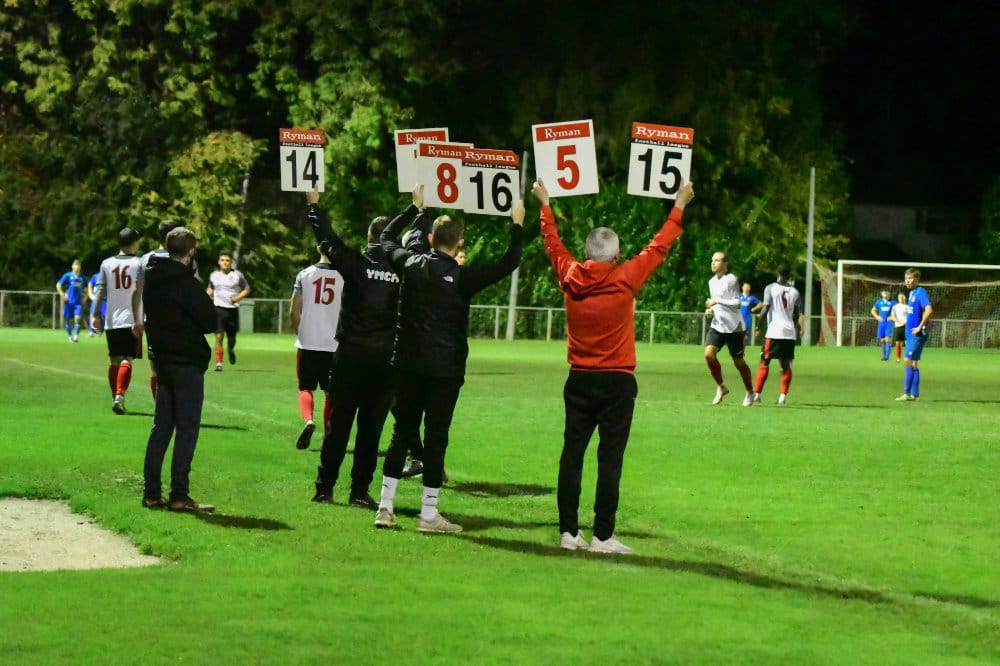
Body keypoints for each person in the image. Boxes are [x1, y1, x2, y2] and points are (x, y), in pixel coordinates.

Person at [534, 178, 694, 555]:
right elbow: (659, 246)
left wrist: (545, 205)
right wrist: (679, 205)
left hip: (579, 379)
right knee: (610, 460)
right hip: (617, 381)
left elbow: (552, 244)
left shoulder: (570, 275)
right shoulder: (624, 278)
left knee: (572, 455)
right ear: (616, 255)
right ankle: (602, 537)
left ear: (587, 253)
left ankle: (568, 533)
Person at [373, 184, 524, 533]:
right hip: (445, 370)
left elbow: (386, 237)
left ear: (430, 239)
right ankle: (428, 515)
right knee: (436, 437)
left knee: (401, 434)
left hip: (408, 365)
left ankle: (385, 507)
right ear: (459, 243)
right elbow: (509, 261)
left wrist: (415, 209)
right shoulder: (462, 277)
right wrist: (517, 223)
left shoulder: (411, 264)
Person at [306, 189, 405, 509]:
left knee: (338, 426)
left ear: (369, 236)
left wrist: (313, 207)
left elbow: (328, 240)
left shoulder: (357, 263)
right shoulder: (404, 269)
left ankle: (324, 488)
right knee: (370, 430)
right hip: (384, 360)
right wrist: (419, 211)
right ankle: (359, 492)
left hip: (350, 356)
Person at [141, 227, 217, 512]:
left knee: (161, 427)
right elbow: (210, 321)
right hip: (186, 362)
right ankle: (179, 495)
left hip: (162, 360)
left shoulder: (153, 277)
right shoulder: (187, 283)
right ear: (191, 251)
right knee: (187, 429)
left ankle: (151, 492)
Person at [289, 241, 341, 452]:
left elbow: (294, 310)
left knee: (305, 387)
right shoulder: (344, 276)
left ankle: (309, 420)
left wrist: (299, 331)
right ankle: (329, 435)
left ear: (318, 249)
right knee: (331, 391)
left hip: (308, 341)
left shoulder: (304, 274)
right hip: (334, 343)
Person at [92, 228, 143, 414]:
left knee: (115, 360)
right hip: (132, 319)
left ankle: (116, 396)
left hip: (111, 319)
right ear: (133, 243)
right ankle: (119, 397)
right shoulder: (138, 263)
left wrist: (95, 314)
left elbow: (100, 291)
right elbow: (141, 290)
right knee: (127, 358)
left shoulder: (107, 263)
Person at [133, 219, 182, 401]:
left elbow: (137, 290)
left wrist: (137, 319)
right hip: (178, 320)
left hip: (153, 320)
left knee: (156, 366)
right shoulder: (185, 257)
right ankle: (172, 404)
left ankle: (160, 407)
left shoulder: (145, 259)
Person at [704, 252, 755, 406]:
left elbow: (737, 303)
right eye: (712, 260)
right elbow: (716, 304)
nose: (713, 263)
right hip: (718, 325)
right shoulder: (711, 282)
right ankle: (721, 387)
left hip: (734, 328)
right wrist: (710, 310)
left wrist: (717, 301)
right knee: (709, 355)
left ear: (725, 264)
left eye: (717, 260)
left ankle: (750, 392)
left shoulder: (731, 279)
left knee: (739, 363)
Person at [751, 265, 804, 405]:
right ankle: (783, 396)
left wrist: (758, 327)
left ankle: (757, 394)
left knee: (764, 361)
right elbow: (797, 313)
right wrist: (794, 326)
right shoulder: (795, 292)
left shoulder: (770, 288)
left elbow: (765, 309)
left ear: (777, 273)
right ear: (789, 274)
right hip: (789, 333)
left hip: (774, 331)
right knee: (785, 365)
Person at [206, 252, 251, 371]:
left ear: (231, 262)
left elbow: (247, 288)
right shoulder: (214, 275)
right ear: (219, 262)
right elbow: (210, 288)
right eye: (222, 260)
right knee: (219, 336)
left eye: (227, 260)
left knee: (231, 338)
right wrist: (207, 294)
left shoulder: (237, 275)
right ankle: (219, 363)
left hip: (232, 310)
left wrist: (238, 297)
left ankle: (230, 350)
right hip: (218, 308)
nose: (225, 262)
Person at [896, 268, 933, 401]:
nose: (907, 281)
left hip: (916, 334)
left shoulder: (920, 292)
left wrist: (919, 326)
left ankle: (906, 393)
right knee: (913, 363)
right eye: (906, 278)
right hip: (910, 333)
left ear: (917, 280)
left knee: (907, 360)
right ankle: (914, 394)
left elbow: (929, 310)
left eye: (910, 278)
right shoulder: (912, 293)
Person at [56, 259, 86, 342]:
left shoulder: (82, 277)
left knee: (77, 319)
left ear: (80, 267)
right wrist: (62, 295)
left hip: (78, 303)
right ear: (72, 266)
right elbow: (58, 285)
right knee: (68, 321)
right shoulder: (68, 275)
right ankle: (70, 337)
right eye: (75, 265)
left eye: (78, 265)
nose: (77, 267)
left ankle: (76, 336)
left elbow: (88, 287)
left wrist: (85, 298)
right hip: (68, 302)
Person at [871, 288, 895, 361]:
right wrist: (877, 316)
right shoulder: (879, 302)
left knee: (887, 339)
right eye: (884, 292)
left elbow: (899, 309)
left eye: (887, 292)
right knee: (882, 340)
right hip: (881, 323)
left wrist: (893, 317)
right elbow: (873, 310)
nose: (886, 294)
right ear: (881, 294)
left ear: (889, 294)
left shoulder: (893, 302)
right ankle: (883, 355)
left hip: (889, 323)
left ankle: (887, 356)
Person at [890, 291, 909, 363]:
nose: (901, 298)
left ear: (904, 298)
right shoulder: (895, 307)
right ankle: (898, 358)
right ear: (898, 298)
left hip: (906, 326)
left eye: (902, 297)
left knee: (907, 342)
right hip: (898, 326)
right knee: (898, 343)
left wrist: (906, 322)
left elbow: (910, 316)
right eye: (899, 297)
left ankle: (908, 357)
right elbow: (893, 316)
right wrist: (899, 322)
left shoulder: (907, 307)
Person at [87, 272, 105, 336]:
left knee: (103, 316)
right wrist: (90, 295)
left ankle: (100, 331)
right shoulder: (95, 276)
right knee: (93, 314)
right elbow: (90, 284)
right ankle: (91, 331)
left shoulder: (109, 276)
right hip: (96, 299)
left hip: (105, 299)